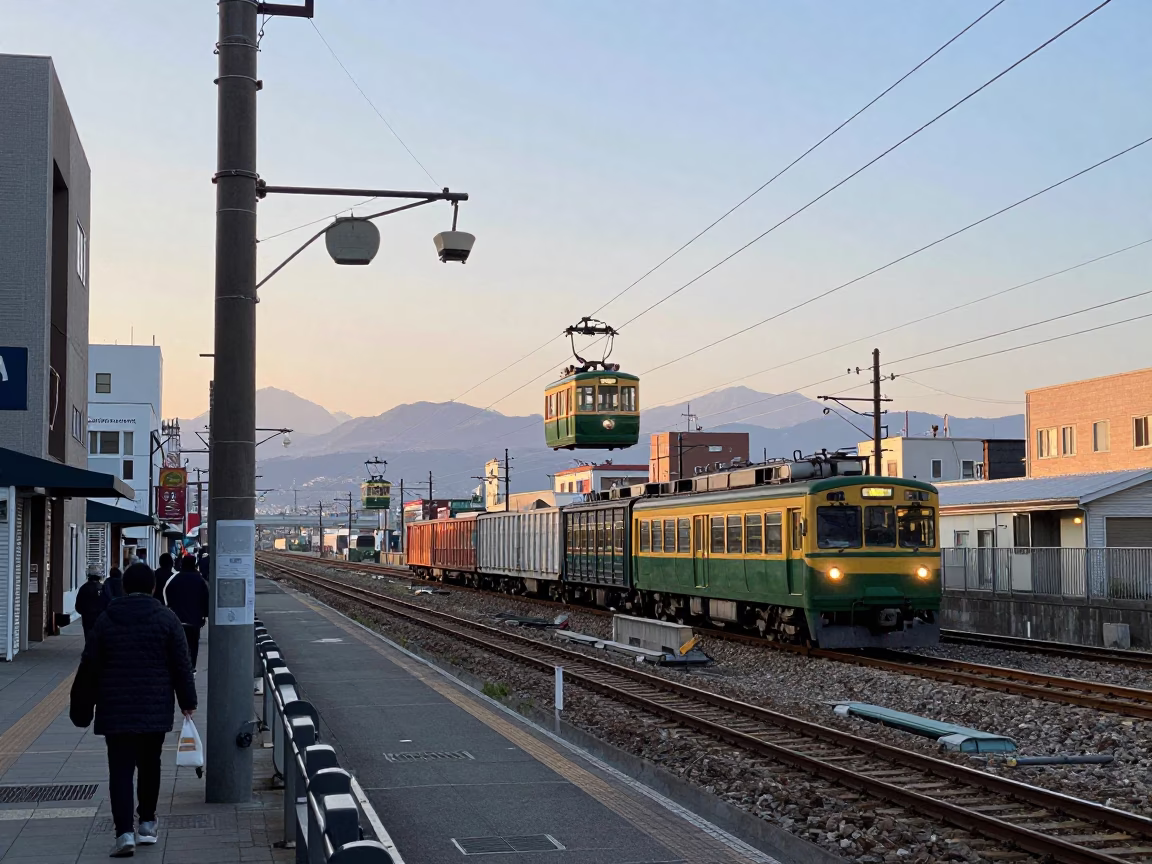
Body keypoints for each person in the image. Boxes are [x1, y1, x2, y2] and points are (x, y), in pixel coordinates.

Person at [78, 562, 196, 858]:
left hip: (114, 708)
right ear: (154, 587)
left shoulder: (106, 619)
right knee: (150, 764)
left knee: (119, 770)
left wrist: (82, 705)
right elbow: (181, 664)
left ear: (125, 588)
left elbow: (89, 665)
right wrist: (187, 702)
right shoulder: (166, 619)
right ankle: (146, 823)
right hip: (154, 708)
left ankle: (123, 835)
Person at [164, 556, 209, 671]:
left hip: (177, 620)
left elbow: (166, 593)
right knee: (193, 645)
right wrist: (204, 615)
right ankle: (191, 668)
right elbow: (206, 598)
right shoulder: (199, 580)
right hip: (195, 621)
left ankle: (179, 667)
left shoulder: (175, 578)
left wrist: (169, 609)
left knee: (178, 646)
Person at [75, 565, 107, 638]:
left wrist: (85, 612)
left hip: (87, 618)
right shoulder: (103, 588)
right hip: (100, 617)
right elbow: (107, 603)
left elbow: (78, 606)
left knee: (88, 637)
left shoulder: (84, 588)